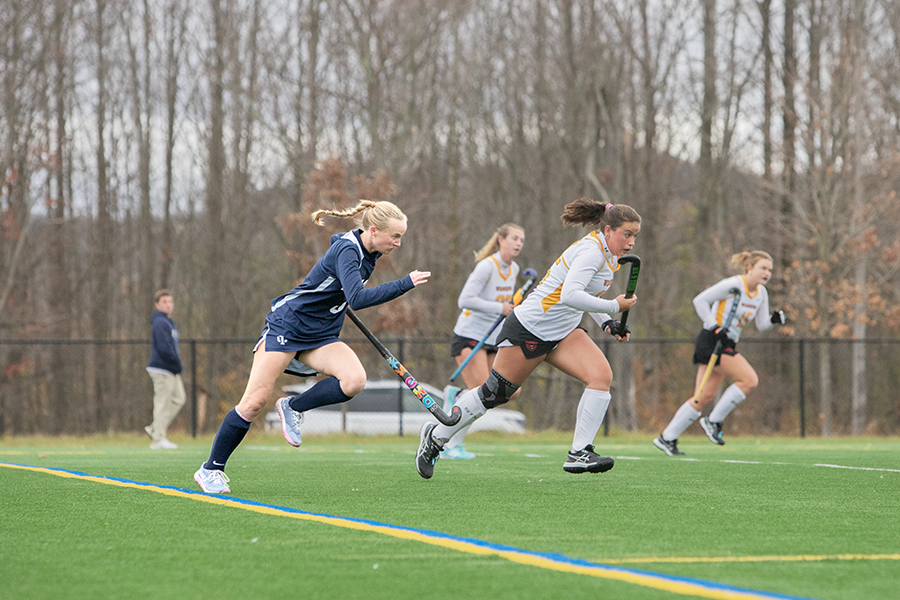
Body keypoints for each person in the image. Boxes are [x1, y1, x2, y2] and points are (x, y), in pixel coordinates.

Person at [193, 200, 430, 494]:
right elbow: (356, 298)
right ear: (373, 230)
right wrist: (404, 283)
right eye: (395, 236)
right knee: (254, 401)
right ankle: (211, 469)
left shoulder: (371, 252)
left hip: (321, 332)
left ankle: (292, 406)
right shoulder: (348, 249)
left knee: (354, 380)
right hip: (289, 324)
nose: (398, 242)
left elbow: (340, 289)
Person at [416, 198, 640, 479]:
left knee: (600, 376)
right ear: (608, 231)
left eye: (634, 236)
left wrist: (608, 322)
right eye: (626, 234)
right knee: (493, 394)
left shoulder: (611, 257)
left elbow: (587, 297)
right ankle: (436, 437)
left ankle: (579, 452)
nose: (631, 242)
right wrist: (614, 306)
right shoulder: (591, 252)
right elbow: (570, 294)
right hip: (531, 327)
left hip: (564, 332)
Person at [653, 251, 785, 456]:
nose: (767, 273)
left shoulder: (761, 293)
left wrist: (773, 320)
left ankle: (667, 438)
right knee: (749, 380)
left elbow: (761, 325)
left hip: (728, 342)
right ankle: (713, 421)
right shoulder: (734, 285)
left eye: (770, 269)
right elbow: (700, 301)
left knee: (702, 396)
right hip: (712, 340)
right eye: (763, 268)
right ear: (749, 267)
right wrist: (715, 326)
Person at [442, 223, 525, 459]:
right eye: (514, 238)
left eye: (521, 240)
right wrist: (500, 307)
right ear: (501, 240)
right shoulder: (487, 266)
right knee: (479, 392)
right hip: (469, 335)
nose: (518, 243)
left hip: (492, 339)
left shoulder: (515, 269)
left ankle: (456, 396)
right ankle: (451, 445)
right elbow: (465, 300)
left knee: (511, 390)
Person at [145, 289, 186, 450]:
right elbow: (164, 348)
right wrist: (176, 363)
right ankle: (158, 439)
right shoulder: (160, 322)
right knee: (162, 403)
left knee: (179, 398)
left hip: (171, 369)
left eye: (170, 301)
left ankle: (155, 428)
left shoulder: (168, 321)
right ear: (157, 305)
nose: (168, 305)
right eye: (164, 302)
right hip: (162, 368)